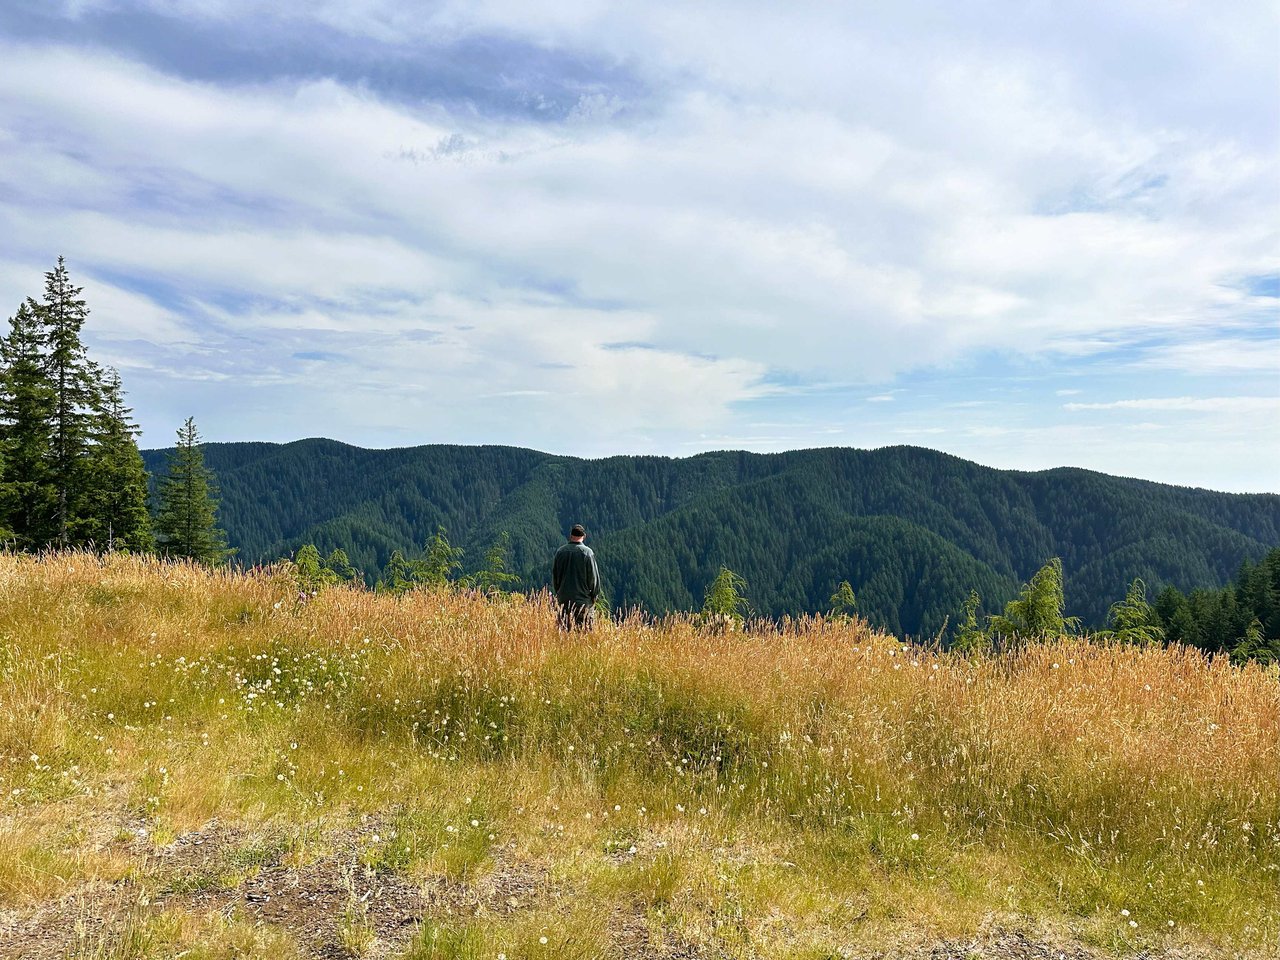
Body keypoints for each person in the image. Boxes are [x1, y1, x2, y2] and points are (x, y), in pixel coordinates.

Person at [552, 523, 600, 630]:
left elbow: (555, 577)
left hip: (564, 599)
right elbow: (593, 578)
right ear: (584, 536)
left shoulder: (560, 552)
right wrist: (593, 595)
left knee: (565, 631)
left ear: (571, 535)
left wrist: (559, 593)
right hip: (582, 600)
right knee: (584, 632)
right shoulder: (587, 553)